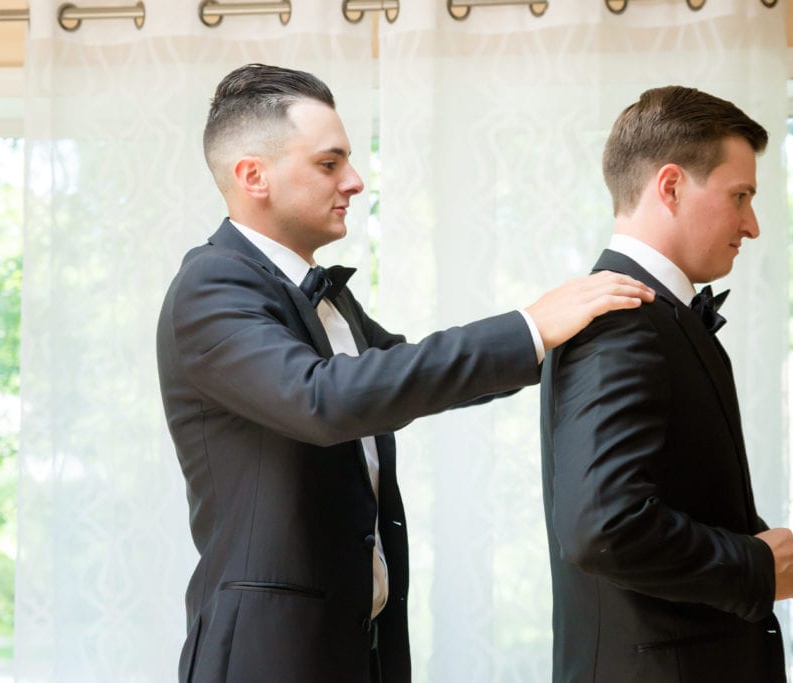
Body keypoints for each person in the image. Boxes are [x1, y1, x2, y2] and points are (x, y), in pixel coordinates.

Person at [156, 63, 654, 683]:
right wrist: (530, 325)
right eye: (329, 163)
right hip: (269, 653)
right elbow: (324, 400)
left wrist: (572, 340)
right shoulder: (209, 284)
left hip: (358, 646)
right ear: (253, 175)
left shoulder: (318, 294)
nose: (356, 182)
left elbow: (406, 371)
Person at [540, 85, 793, 683]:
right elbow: (603, 529)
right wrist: (754, 568)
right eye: (740, 196)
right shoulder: (621, 321)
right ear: (671, 186)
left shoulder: (649, 313)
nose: (753, 224)